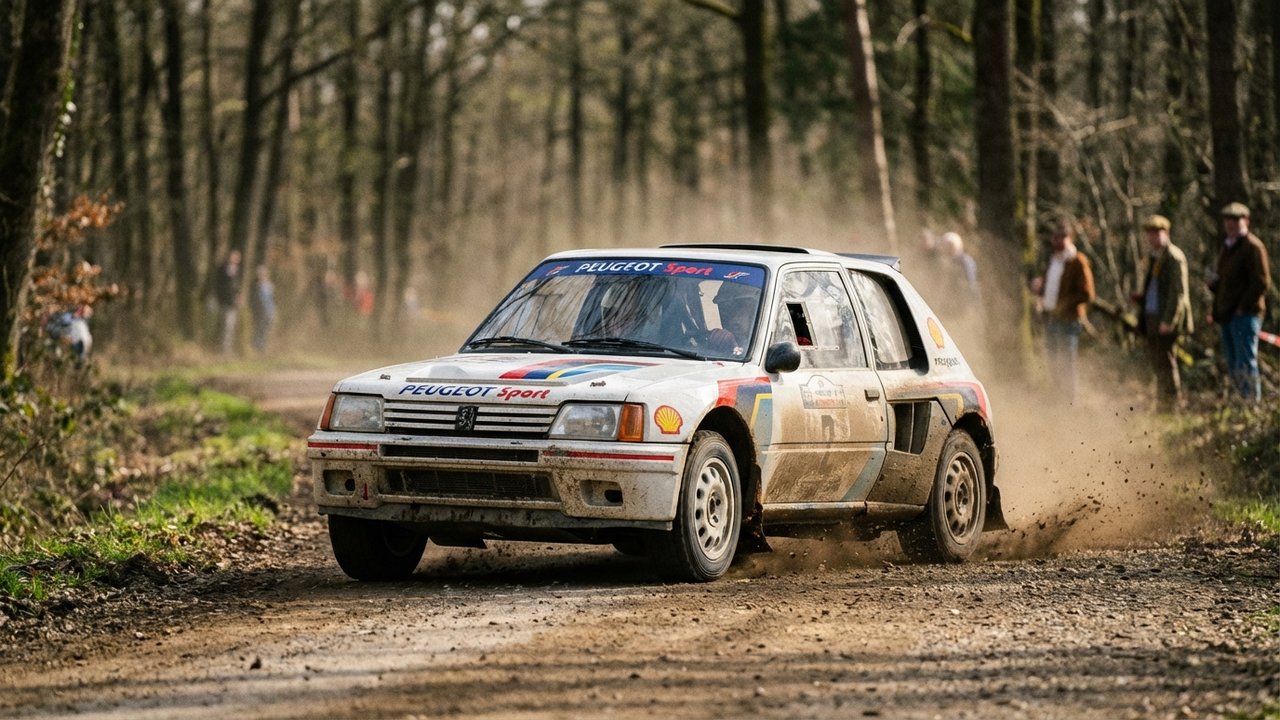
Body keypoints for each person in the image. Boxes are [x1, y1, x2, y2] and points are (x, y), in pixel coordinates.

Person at [1208, 202, 1271, 401]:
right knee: (1233, 362)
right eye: (1228, 220)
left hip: (1245, 315)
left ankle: (1251, 404)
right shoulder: (1227, 248)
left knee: (1246, 361)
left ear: (1246, 221)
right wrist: (1214, 285)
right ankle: (1239, 403)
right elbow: (1227, 282)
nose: (1230, 224)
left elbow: (1261, 282)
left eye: (1235, 219)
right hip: (1227, 315)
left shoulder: (1253, 247)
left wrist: (1243, 307)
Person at [1131, 214, 1192, 411]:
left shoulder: (1174, 257)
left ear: (1166, 233)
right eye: (1149, 233)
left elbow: (1178, 293)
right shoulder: (1154, 257)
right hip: (1151, 315)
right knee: (1157, 361)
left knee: (1167, 360)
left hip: (1166, 318)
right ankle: (1161, 403)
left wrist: (1169, 320)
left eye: (1156, 233)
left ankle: (1171, 404)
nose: (1152, 237)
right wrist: (1141, 298)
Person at [1031, 220, 1095, 404]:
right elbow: (1051, 286)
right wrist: (1040, 288)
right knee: (1053, 360)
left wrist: (1064, 305)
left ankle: (1070, 401)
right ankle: (1057, 398)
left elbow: (1087, 294)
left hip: (1069, 320)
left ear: (1070, 238)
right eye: (1055, 237)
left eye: (1062, 236)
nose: (1058, 240)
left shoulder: (1077, 261)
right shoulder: (1054, 259)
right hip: (1051, 317)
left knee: (1067, 362)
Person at [707, 282, 760, 356]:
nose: (733, 320)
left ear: (754, 311)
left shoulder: (763, 345)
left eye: (739, 309)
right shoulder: (721, 342)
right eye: (727, 311)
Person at [216, 249, 242, 356]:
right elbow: (219, 285)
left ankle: (226, 349)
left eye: (236, 257)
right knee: (225, 325)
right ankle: (223, 349)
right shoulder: (222, 269)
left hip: (232, 303)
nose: (234, 259)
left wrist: (239, 296)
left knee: (230, 326)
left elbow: (236, 286)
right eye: (233, 257)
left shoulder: (237, 270)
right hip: (223, 301)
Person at [251, 264, 277, 355]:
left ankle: (262, 347)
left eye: (264, 274)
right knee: (259, 329)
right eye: (261, 274)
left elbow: (273, 300)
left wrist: (274, 311)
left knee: (266, 330)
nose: (262, 276)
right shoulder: (256, 286)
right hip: (260, 312)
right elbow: (254, 301)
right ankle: (257, 348)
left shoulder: (270, 286)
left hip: (269, 311)